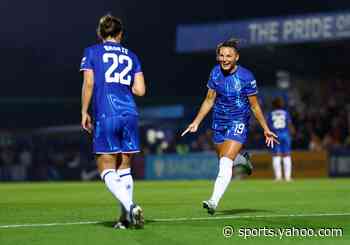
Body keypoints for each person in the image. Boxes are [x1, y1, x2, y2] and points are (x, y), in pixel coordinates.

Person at [182, 38, 278, 215]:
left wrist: (266, 127)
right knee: (224, 158)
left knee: (225, 162)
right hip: (219, 122)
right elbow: (209, 99)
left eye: (229, 56)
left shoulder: (246, 77)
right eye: (221, 55)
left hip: (238, 121)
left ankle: (213, 201)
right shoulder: (215, 73)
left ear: (237, 57)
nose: (224, 59)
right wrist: (196, 121)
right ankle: (243, 160)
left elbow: (255, 106)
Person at [80, 14, 145, 229]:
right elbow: (140, 90)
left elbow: (89, 83)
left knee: (105, 167)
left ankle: (131, 207)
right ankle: (125, 219)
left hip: (107, 112)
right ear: (120, 34)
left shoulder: (92, 52)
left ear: (100, 33)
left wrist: (84, 111)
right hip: (130, 113)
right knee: (124, 168)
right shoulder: (132, 56)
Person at [267, 97, 295, 181]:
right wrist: (293, 132)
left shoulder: (271, 114)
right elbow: (289, 124)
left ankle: (278, 177)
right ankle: (287, 177)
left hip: (275, 135)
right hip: (285, 135)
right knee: (286, 155)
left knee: (276, 155)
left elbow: (268, 125)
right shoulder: (285, 113)